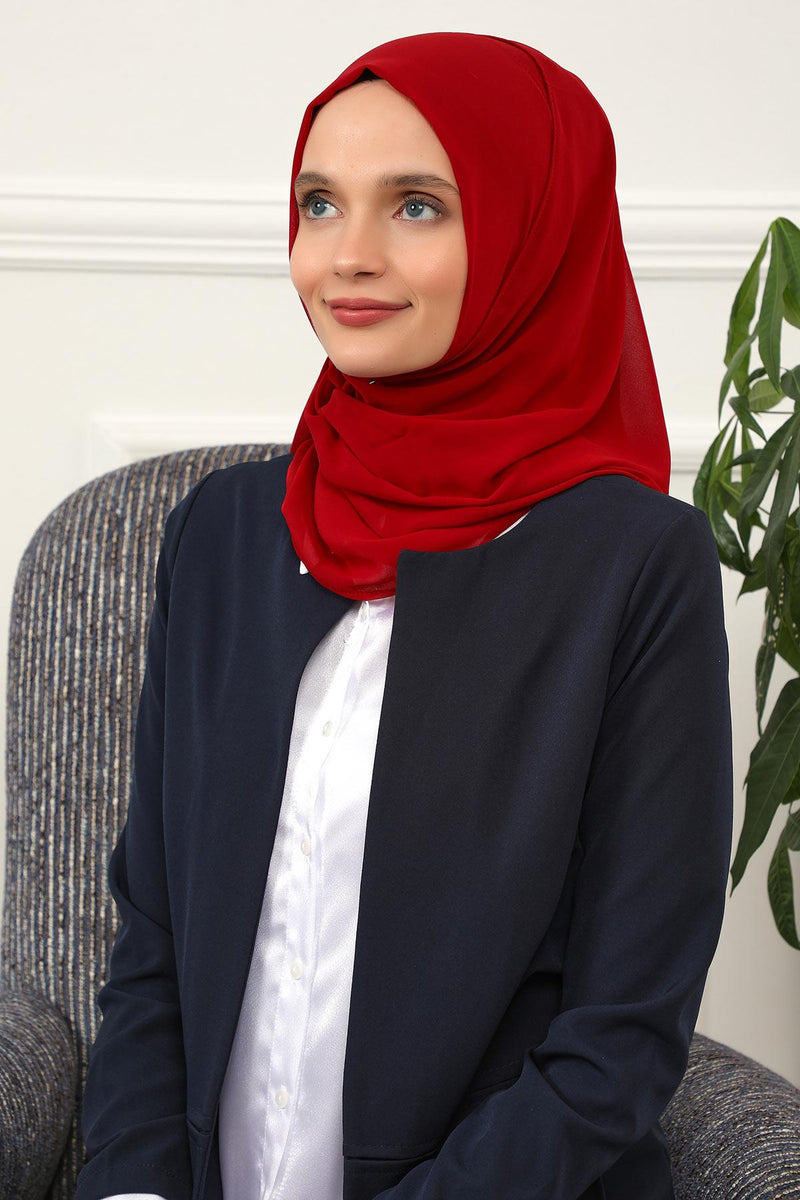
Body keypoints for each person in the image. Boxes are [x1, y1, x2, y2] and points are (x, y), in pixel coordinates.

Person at [74, 31, 733, 1200]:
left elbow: (618, 1038)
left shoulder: (634, 565)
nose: (348, 256)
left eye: (418, 206)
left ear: (533, 233)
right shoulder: (223, 532)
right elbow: (154, 943)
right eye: (318, 203)